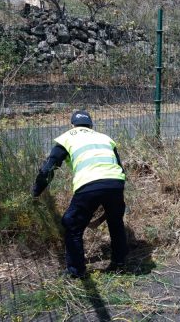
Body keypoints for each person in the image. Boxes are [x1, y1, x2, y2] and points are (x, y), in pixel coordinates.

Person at [31, 110, 127, 277]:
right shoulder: (105, 138)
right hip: (115, 182)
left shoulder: (67, 137)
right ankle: (120, 262)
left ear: (72, 125)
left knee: (72, 224)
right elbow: (119, 166)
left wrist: (35, 192)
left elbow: (48, 169)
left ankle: (76, 270)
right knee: (115, 222)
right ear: (91, 125)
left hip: (88, 183)